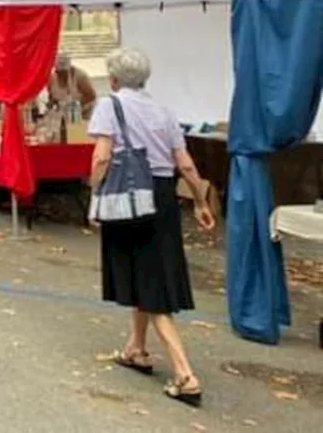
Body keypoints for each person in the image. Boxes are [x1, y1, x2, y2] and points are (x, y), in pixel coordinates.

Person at [89, 47, 216, 408]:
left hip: (128, 194)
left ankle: (185, 373)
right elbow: (186, 164)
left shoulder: (109, 106)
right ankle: (136, 348)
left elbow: (101, 155)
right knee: (146, 271)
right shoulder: (164, 111)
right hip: (161, 197)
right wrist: (201, 201)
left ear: (113, 78)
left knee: (152, 285)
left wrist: (94, 194)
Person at [48, 51, 97, 118]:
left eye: (63, 72)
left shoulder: (80, 77)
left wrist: (76, 106)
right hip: (63, 116)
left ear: (68, 69)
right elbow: (51, 98)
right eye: (59, 72)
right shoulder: (52, 79)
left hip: (84, 115)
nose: (61, 75)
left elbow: (92, 97)